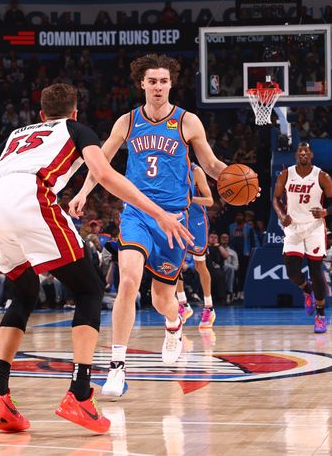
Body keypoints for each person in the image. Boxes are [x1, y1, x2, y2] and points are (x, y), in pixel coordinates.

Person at [0, 83, 191, 433]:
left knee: (25, 291)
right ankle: (80, 394)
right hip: (30, 199)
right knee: (90, 290)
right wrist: (159, 213)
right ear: (75, 112)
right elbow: (106, 175)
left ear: (40, 115)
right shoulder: (77, 129)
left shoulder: (15, 136)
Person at [68, 54, 232, 399]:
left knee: (162, 300)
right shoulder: (127, 123)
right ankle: (116, 367)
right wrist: (83, 192)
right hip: (138, 214)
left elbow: (213, 164)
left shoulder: (188, 122)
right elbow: (101, 162)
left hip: (174, 219)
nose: (158, 87)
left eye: (163, 81)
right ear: (141, 84)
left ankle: (174, 324)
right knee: (128, 281)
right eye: (152, 81)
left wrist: (238, 179)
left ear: (171, 84)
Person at [272, 142, 332, 333]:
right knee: (292, 271)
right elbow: (275, 198)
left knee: (315, 270)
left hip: (314, 227)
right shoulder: (286, 174)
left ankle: (320, 315)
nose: (303, 153)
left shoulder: (322, 176)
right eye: (300, 151)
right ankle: (307, 290)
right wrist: (281, 215)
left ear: (311, 155)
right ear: (296, 155)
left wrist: (325, 211)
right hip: (293, 226)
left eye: (306, 151)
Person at [176, 163, 216, 329]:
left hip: (196, 221)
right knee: (175, 264)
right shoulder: (170, 166)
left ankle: (209, 307)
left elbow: (209, 200)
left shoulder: (196, 171)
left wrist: (190, 199)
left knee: (200, 264)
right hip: (177, 217)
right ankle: (183, 304)